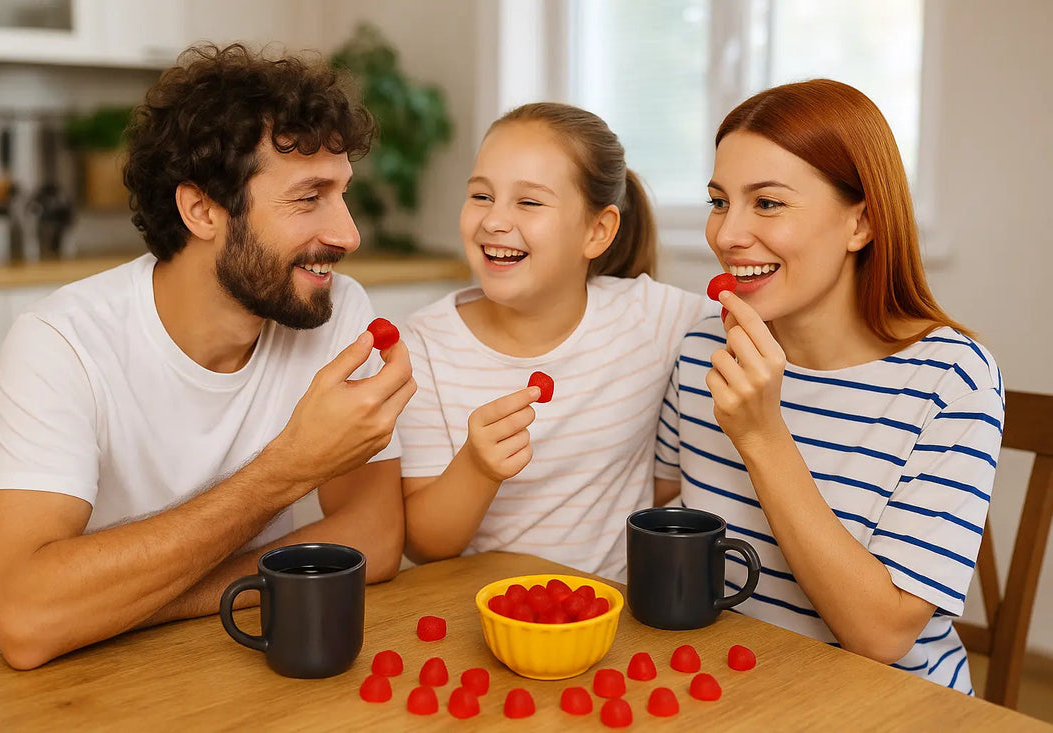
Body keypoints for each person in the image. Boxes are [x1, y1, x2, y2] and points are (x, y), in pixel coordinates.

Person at [0, 44, 416, 669]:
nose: (348, 234)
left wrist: (117, 604)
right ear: (202, 209)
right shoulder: (60, 343)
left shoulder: (332, 308)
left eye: (342, 193)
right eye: (308, 197)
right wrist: (288, 469)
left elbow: (374, 537)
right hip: (61, 687)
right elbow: (24, 619)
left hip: (226, 655)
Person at [654, 79, 1003, 694]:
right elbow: (663, 524)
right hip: (732, 690)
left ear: (861, 223)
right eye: (718, 201)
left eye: (767, 203)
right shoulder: (703, 348)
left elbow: (880, 636)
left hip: (889, 706)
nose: (727, 234)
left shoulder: (953, 378)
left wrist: (762, 434)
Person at [398, 103, 712, 581]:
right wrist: (477, 468)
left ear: (597, 231)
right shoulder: (421, 346)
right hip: (487, 613)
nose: (494, 221)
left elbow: (770, 323)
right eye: (481, 195)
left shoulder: (648, 317)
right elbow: (425, 546)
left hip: (616, 617)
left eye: (528, 202)